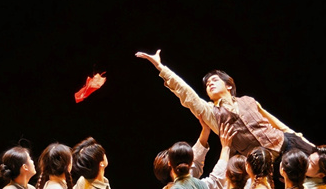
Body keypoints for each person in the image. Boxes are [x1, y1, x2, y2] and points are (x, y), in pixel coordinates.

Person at [135, 49, 315, 159]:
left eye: (214, 80)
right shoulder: (211, 112)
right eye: (207, 84)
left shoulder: (248, 100)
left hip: (287, 142)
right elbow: (187, 93)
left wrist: (302, 139)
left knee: (322, 166)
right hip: (263, 164)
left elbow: (276, 122)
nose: (210, 84)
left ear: (229, 85)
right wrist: (161, 67)